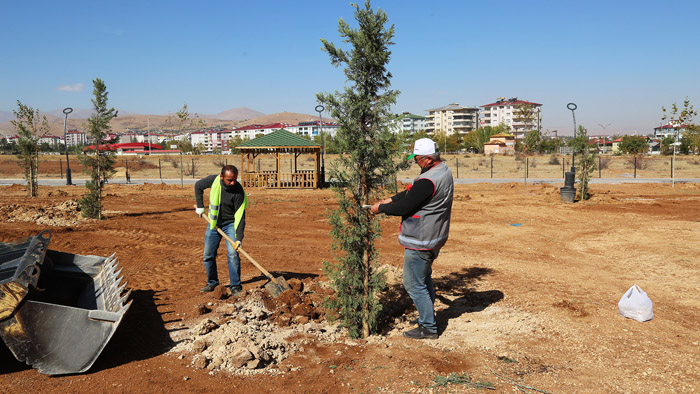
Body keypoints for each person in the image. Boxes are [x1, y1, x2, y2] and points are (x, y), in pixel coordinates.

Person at [370, 138, 454, 339]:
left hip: (422, 240)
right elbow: (412, 192)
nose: (415, 161)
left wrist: (380, 208)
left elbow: (406, 206)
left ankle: (428, 328)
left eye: (416, 159)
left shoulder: (428, 180)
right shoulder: (442, 170)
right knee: (424, 279)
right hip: (435, 236)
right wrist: (390, 199)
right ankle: (428, 318)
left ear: (427, 159)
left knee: (414, 284)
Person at [195, 165, 248, 295]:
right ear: (221, 177)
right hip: (214, 223)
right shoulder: (214, 181)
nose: (233, 182)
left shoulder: (238, 191)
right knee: (208, 254)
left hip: (231, 224)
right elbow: (198, 186)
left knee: (233, 254)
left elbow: (240, 216)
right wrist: (200, 207)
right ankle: (212, 282)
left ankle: (235, 285)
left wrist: (239, 238)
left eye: (235, 179)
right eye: (229, 180)